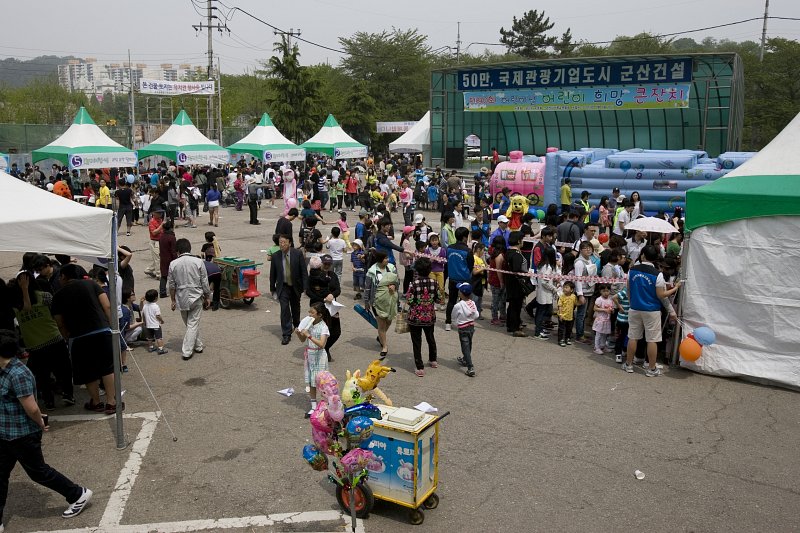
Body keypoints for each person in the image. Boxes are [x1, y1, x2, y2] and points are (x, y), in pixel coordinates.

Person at [0, 330, 93, 524]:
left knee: (39, 472)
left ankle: (78, 494)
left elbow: (32, 407)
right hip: (5, 434)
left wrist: (39, 421)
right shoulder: (3, 370)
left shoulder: (18, 374)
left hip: (22, 435)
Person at [51, 264, 121, 415]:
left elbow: (60, 323)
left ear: (63, 276)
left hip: (78, 337)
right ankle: (111, 402)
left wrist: (67, 337)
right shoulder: (91, 284)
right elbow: (107, 306)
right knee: (107, 367)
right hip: (102, 330)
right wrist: (112, 326)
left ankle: (96, 402)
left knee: (88, 371)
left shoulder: (57, 296)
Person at [8, 272, 74, 409]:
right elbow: (53, 314)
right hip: (53, 338)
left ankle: (49, 400)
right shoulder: (44, 297)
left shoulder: (15, 303)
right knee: (63, 368)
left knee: (43, 374)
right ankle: (67, 394)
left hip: (35, 343)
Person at [622, 245, 681, 377]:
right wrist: (675, 288)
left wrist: (632, 303)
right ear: (655, 259)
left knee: (633, 337)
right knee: (652, 340)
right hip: (652, 310)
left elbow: (629, 290)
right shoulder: (657, 274)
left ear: (642, 256)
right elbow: (661, 295)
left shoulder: (632, 271)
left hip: (635, 308)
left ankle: (629, 364)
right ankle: (651, 368)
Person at [167, 239, 211, 361]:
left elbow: (171, 285)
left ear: (178, 251)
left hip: (181, 297)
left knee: (190, 324)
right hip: (196, 295)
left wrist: (173, 300)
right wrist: (208, 296)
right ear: (190, 249)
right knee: (192, 324)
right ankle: (193, 348)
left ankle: (193, 348)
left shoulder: (173, 264)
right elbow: (204, 281)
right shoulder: (198, 262)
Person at [270, 234, 307, 345]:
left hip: (295, 286)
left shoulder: (297, 254)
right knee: (285, 309)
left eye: (284, 242)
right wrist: (272, 288)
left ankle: (296, 324)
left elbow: (304, 271)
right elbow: (273, 273)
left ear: (289, 243)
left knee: (295, 307)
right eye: (280, 242)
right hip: (283, 287)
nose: (282, 244)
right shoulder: (276, 256)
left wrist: (305, 287)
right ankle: (286, 333)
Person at [405, 257, 439, 377]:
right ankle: (433, 360)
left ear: (417, 270)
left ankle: (420, 367)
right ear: (430, 270)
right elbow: (439, 299)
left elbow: (409, 300)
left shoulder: (414, 284)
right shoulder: (435, 283)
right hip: (429, 316)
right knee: (430, 338)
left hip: (415, 317)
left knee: (416, 341)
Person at [296, 302, 330, 418]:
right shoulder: (309, 324)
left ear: (319, 315)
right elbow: (302, 339)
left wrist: (309, 336)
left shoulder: (324, 327)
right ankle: (314, 407)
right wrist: (298, 333)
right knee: (311, 381)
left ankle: (326, 404)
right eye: (309, 312)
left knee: (321, 382)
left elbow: (321, 344)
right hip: (310, 355)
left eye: (312, 312)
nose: (309, 314)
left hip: (319, 356)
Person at [365, 250, 399, 360]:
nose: (387, 260)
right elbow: (368, 288)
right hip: (377, 302)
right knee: (381, 324)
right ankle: (384, 346)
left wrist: (394, 286)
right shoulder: (372, 271)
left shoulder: (392, 268)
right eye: (385, 258)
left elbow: (397, 281)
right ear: (379, 260)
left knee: (388, 321)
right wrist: (366, 302)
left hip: (390, 300)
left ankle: (380, 336)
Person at [444, 227, 474, 331]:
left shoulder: (449, 248)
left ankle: (448, 322)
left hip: (452, 278)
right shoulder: (468, 251)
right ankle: (463, 322)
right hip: (464, 280)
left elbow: (447, 262)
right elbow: (471, 266)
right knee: (465, 301)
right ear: (465, 237)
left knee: (451, 301)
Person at [503, 232, 528, 337]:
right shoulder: (516, 255)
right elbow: (517, 270)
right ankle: (515, 327)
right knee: (516, 306)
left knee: (512, 305)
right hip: (517, 284)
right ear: (519, 241)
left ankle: (510, 325)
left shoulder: (508, 252)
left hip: (510, 282)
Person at [452, 282, 479, 377]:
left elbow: (454, 315)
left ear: (461, 293)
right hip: (471, 327)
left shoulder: (458, 305)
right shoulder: (472, 303)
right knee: (469, 344)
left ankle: (470, 367)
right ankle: (465, 359)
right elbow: (476, 315)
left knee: (465, 347)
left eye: (459, 290)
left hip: (463, 328)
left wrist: (455, 322)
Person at [573, 241, 597, 344]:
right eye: (585, 248)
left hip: (589, 291)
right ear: (581, 250)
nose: (588, 250)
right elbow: (577, 279)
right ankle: (579, 335)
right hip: (583, 292)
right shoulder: (579, 262)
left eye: (590, 248)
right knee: (581, 315)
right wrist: (580, 294)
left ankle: (581, 333)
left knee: (583, 315)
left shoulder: (590, 260)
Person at [533, 247, 557, 339]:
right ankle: (538, 332)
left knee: (540, 312)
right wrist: (554, 288)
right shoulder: (548, 267)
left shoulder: (541, 265)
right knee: (541, 313)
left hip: (541, 292)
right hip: (545, 293)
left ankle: (539, 329)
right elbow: (544, 282)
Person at [488, 236, 507, 326]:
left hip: (494, 279)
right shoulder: (499, 255)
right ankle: (494, 318)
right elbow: (499, 271)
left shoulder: (494, 252)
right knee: (496, 300)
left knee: (501, 299)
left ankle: (502, 315)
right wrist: (501, 282)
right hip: (496, 281)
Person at [141, 289, 168, 355]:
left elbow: (143, 314)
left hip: (148, 325)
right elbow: (158, 316)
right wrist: (161, 320)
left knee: (150, 338)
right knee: (159, 338)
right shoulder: (156, 306)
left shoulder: (145, 306)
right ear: (156, 298)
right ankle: (161, 349)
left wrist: (144, 322)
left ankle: (151, 347)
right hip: (156, 325)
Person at [425, 234, 447, 309]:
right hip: (431, 271)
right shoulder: (427, 250)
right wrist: (429, 261)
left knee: (441, 288)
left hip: (440, 271)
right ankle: (432, 303)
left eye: (435, 240)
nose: (434, 242)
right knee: (432, 288)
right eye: (432, 240)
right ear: (430, 242)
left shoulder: (442, 250)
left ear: (438, 241)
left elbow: (445, 261)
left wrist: (439, 260)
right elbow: (425, 261)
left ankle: (442, 303)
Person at [592, 285, 614, 355]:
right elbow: (595, 308)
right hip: (600, 319)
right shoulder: (599, 299)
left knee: (605, 334)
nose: (605, 293)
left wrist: (611, 310)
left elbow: (612, 309)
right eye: (603, 291)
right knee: (598, 334)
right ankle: (596, 347)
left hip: (607, 320)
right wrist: (604, 310)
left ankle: (603, 346)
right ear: (600, 292)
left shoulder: (610, 299)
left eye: (607, 291)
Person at [158, 220, 177, 298]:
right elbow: (173, 250)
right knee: (174, 275)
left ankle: (162, 291)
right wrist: (175, 259)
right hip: (170, 258)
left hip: (163, 257)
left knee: (164, 275)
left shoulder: (161, 236)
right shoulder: (172, 237)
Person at [612, 286, 630, 364]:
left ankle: (623, 351)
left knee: (627, 336)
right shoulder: (627, 290)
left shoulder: (635, 289)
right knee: (620, 336)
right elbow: (614, 297)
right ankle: (618, 353)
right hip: (622, 319)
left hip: (630, 319)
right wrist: (619, 306)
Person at [144, 210, 164, 279]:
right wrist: (161, 226)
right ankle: (159, 274)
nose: (160, 214)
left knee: (158, 258)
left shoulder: (160, 220)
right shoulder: (152, 222)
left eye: (161, 213)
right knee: (158, 259)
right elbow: (154, 232)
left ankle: (149, 270)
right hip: (154, 242)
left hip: (160, 241)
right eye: (158, 213)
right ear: (154, 213)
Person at [557, 281, 578, 347]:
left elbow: (576, 304)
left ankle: (567, 338)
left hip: (570, 316)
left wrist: (581, 302)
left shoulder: (573, 296)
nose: (564, 289)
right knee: (561, 328)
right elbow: (560, 306)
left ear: (571, 290)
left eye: (566, 287)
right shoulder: (562, 297)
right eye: (564, 287)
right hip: (562, 316)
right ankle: (560, 339)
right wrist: (560, 315)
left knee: (569, 328)